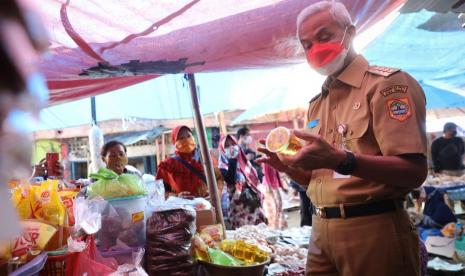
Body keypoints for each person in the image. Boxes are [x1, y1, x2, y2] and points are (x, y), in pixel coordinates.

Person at [257, 1, 427, 275]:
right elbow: (320, 179)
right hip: (321, 229)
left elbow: (414, 172)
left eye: (324, 37)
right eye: (307, 44)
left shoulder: (387, 85)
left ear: (350, 33)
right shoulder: (316, 104)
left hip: (374, 229)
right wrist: (289, 169)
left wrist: (341, 159)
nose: (315, 49)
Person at [219, 135, 266, 229]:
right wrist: (232, 160)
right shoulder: (222, 165)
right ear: (222, 149)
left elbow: (255, 178)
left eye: (233, 144)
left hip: (253, 204)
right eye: (227, 146)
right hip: (237, 206)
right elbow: (230, 179)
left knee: (259, 232)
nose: (231, 147)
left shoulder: (244, 161)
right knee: (244, 234)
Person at [156, 125, 208, 197]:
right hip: (181, 207)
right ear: (175, 142)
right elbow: (159, 193)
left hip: (206, 205)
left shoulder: (205, 158)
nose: (186, 140)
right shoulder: (167, 165)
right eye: (181, 138)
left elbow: (219, 180)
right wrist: (177, 196)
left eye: (189, 136)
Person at [262, 163, 287, 229]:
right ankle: (274, 227)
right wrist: (269, 185)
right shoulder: (266, 159)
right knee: (274, 208)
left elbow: (277, 174)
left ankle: (279, 226)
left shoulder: (273, 158)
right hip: (269, 187)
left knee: (279, 206)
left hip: (275, 186)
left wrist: (282, 186)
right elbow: (266, 173)